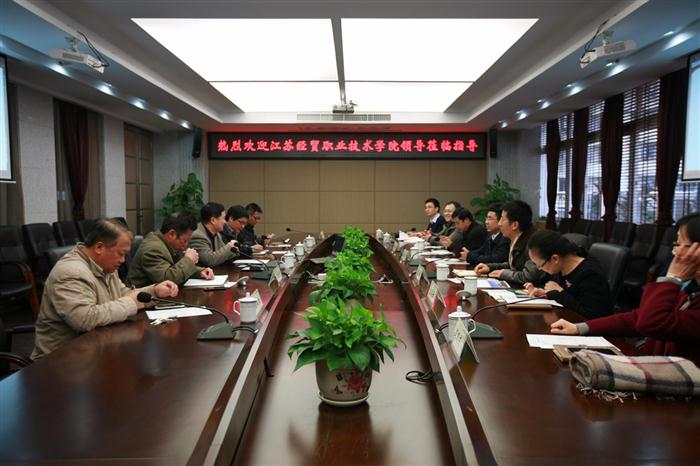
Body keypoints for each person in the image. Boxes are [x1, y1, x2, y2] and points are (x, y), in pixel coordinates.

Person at [550, 214, 700, 363]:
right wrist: (580, 328)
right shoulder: (689, 291)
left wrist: (672, 279)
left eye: (681, 245)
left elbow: (651, 322)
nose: (674, 252)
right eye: (676, 244)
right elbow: (637, 317)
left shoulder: (679, 288)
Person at [31, 218, 179, 359]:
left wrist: (154, 291)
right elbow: (84, 319)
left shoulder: (105, 265)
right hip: (60, 360)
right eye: (121, 254)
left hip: (95, 349)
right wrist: (131, 303)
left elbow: (122, 294)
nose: (123, 260)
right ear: (99, 247)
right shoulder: (71, 272)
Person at [524, 229, 612, 318]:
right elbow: (564, 293)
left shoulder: (590, 275)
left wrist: (559, 293)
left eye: (540, 265)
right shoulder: (560, 267)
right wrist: (546, 293)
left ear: (555, 259)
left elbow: (592, 314)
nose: (539, 269)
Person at [127, 212, 214, 287]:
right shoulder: (153, 249)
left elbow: (177, 266)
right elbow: (168, 279)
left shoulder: (167, 243)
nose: (186, 245)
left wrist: (200, 272)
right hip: (142, 297)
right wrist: (189, 260)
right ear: (171, 234)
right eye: (185, 240)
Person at [474, 200, 544, 285]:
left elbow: (529, 277)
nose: (499, 224)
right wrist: (490, 267)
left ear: (515, 225)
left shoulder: (534, 242)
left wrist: (504, 274)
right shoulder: (517, 238)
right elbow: (514, 265)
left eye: (502, 219)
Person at [188, 202, 239, 267]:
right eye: (223, 218)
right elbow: (210, 260)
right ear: (213, 220)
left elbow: (224, 254)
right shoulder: (197, 236)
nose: (225, 222)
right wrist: (230, 246)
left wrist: (234, 249)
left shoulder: (216, 233)